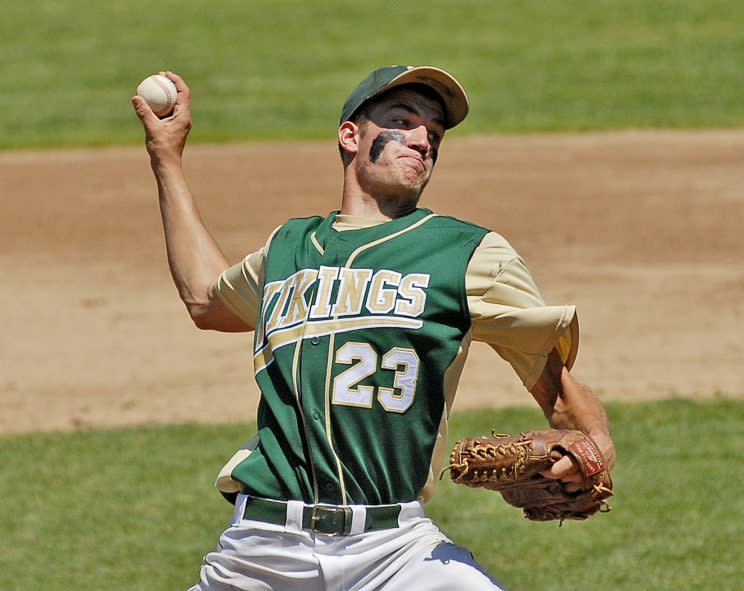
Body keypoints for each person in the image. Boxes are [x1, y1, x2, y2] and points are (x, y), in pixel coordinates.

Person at [132, 65, 616, 591]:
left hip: (394, 552)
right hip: (262, 551)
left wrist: (593, 444)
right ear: (350, 136)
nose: (422, 141)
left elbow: (557, 390)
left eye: (433, 134)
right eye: (403, 121)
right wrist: (167, 158)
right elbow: (206, 301)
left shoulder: (468, 254)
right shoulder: (289, 248)